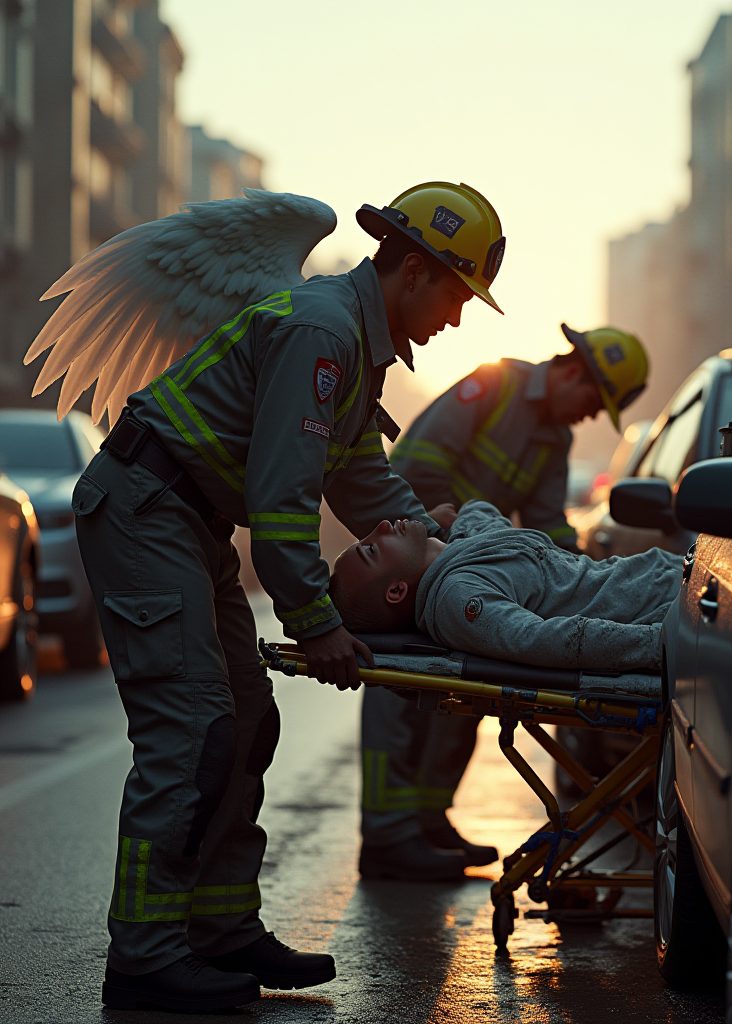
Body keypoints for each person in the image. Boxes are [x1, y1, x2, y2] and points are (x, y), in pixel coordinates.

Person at [48, 183, 505, 1013]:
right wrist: (319, 623)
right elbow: (283, 500)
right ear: (411, 271)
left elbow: (361, 477)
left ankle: (223, 930)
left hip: (182, 521)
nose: (458, 319)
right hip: (148, 511)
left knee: (248, 721)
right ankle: (146, 957)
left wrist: (434, 540)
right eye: (456, 295)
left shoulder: (354, 346)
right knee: (193, 735)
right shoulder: (322, 332)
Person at [358, 327, 649, 880]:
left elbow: (546, 525)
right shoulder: (493, 387)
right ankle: (387, 836)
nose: (589, 416)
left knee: (464, 696)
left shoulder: (553, 439)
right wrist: (444, 538)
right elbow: (416, 465)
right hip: (418, 564)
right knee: (397, 697)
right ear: (574, 372)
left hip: (467, 573)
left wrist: (579, 574)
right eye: (592, 401)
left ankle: (428, 817)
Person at [331, 502, 682, 676]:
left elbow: (480, 511)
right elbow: (540, 639)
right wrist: (661, 644)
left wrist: (441, 528)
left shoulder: (462, 553)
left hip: (672, 575)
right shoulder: (458, 596)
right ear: (395, 592)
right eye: (371, 550)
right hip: (671, 609)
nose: (379, 527)